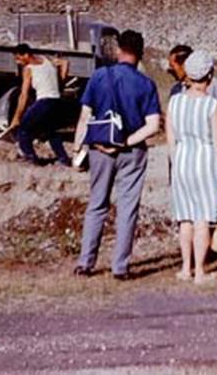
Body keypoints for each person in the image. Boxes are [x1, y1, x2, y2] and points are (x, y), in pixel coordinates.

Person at [70, 30, 161, 279]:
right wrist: (124, 142)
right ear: (140, 53)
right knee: (127, 209)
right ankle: (119, 267)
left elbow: (85, 116)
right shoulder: (146, 84)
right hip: (131, 152)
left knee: (96, 205)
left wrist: (78, 150)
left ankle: (85, 263)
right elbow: (153, 126)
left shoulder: (99, 76)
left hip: (99, 150)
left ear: (119, 49)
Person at [167, 50, 217, 284]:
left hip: (182, 160)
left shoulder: (175, 101)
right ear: (209, 75)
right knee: (203, 218)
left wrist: (176, 163)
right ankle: (201, 271)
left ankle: (186, 269)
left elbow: (171, 139)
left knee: (185, 219)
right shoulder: (212, 105)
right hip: (204, 161)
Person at [10, 44, 70, 166]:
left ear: (26, 55)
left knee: (23, 129)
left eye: (18, 58)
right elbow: (65, 62)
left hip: (44, 101)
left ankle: (30, 157)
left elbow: (24, 95)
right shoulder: (47, 60)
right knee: (51, 131)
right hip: (56, 101)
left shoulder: (28, 69)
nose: (18, 62)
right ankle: (63, 159)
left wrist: (16, 117)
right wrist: (62, 80)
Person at [167, 44, 217, 138]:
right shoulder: (176, 90)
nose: (170, 71)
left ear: (184, 64)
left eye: (173, 66)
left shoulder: (214, 86)